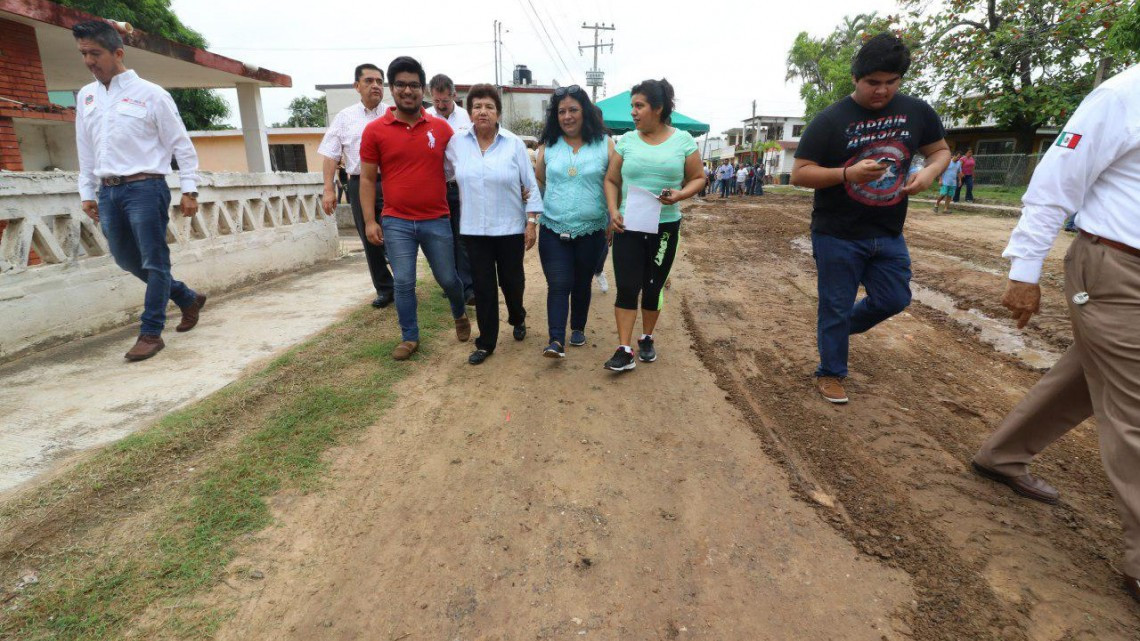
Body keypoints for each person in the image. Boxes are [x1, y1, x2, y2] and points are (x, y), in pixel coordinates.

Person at [971, 63, 1140, 604]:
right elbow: (1054, 183)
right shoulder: (1123, 95)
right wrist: (1024, 271)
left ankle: (1001, 454)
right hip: (1118, 270)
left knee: (1086, 377)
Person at [791, 33, 950, 404]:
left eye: (891, 82)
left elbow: (939, 151)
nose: (882, 90)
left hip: (889, 232)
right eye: (872, 83)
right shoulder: (830, 120)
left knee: (894, 299)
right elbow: (800, 173)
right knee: (834, 302)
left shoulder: (917, 111)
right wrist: (846, 174)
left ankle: (836, 329)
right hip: (837, 233)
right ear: (855, 79)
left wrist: (929, 173)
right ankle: (831, 371)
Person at [72, 20, 206, 362]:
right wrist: (87, 192)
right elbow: (85, 149)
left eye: (95, 53)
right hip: (108, 192)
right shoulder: (86, 97)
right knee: (126, 259)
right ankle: (185, 297)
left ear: (118, 53)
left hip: (146, 187)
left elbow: (181, 145)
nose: (89, 60)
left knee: (154, 259)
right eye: (84, 53)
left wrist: (189, 188)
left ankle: (150, 333)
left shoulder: (151, 94)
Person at [357, 56, 472, 361]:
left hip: (436, 218)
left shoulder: (441, 128)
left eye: (413, 85)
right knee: (404, 281)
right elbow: (367, 180)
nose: (407, 91)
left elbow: (466, 168)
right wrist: (370, 221)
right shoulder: (374, 132)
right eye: (400, 85)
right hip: (396, 221)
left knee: (448, 278)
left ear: (423, 90)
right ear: (392, 89)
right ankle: (409, 337)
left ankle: (459, 312)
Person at [602, 79, 706, 372]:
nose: (633, 112)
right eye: (632, 106)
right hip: (628, 226)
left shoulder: (683, 140)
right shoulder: (628, 141)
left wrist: (681, 194)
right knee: (626, 287)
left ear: (658, 109)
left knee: (652, 287)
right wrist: (613, 210)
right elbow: (611, 179)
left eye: (639, 106)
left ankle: (646, 337)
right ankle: (624, 349)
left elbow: (699, 177)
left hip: (665, 228)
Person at [444, 84, 542, 365]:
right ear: (469, 112)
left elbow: (530, 185)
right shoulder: (457, 144)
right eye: (477, 107)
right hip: (474, 230)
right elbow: (448, 173)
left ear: (498, 113)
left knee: (512, 282)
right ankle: (486, 342)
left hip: (510, 228)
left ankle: (517, 315)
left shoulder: (513, 144)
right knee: (484, 287)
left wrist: (531, 222)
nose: (482, 111)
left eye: (489, 107)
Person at [534, 85, 613, 358]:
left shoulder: (605, 144)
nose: (567, 116)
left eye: (573, 110)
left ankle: (578, 326)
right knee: (558, 284)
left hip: (592, 229)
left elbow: (615, 182)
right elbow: (540, 181)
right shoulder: (549, 146)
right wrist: (534, 215)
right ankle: (556, 339)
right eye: (561, 111)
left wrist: (614, 217)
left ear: (585, 112)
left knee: (581, 282)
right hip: (552, 228)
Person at [318, 63, 395, 309]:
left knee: (396, 234)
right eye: (369, 81)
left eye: (379, 81)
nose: (375, 86)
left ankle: (404, 284)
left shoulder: (393, 115)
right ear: (356, 86)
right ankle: (385, 289)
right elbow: (330, 154)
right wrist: (329, 190)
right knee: (369, 236)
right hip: (360, 183)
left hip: (393, 182)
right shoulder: (345, 117)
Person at [426, 73, 476, 304]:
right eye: (436, 101)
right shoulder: (424, 118)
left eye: (444, 101)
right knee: (441, 238)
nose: (440, 106)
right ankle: (449, 283)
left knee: (462, 237)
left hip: (462, 186)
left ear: (454, 95)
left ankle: (467, 287)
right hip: (435, 187)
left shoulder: (466, 118)